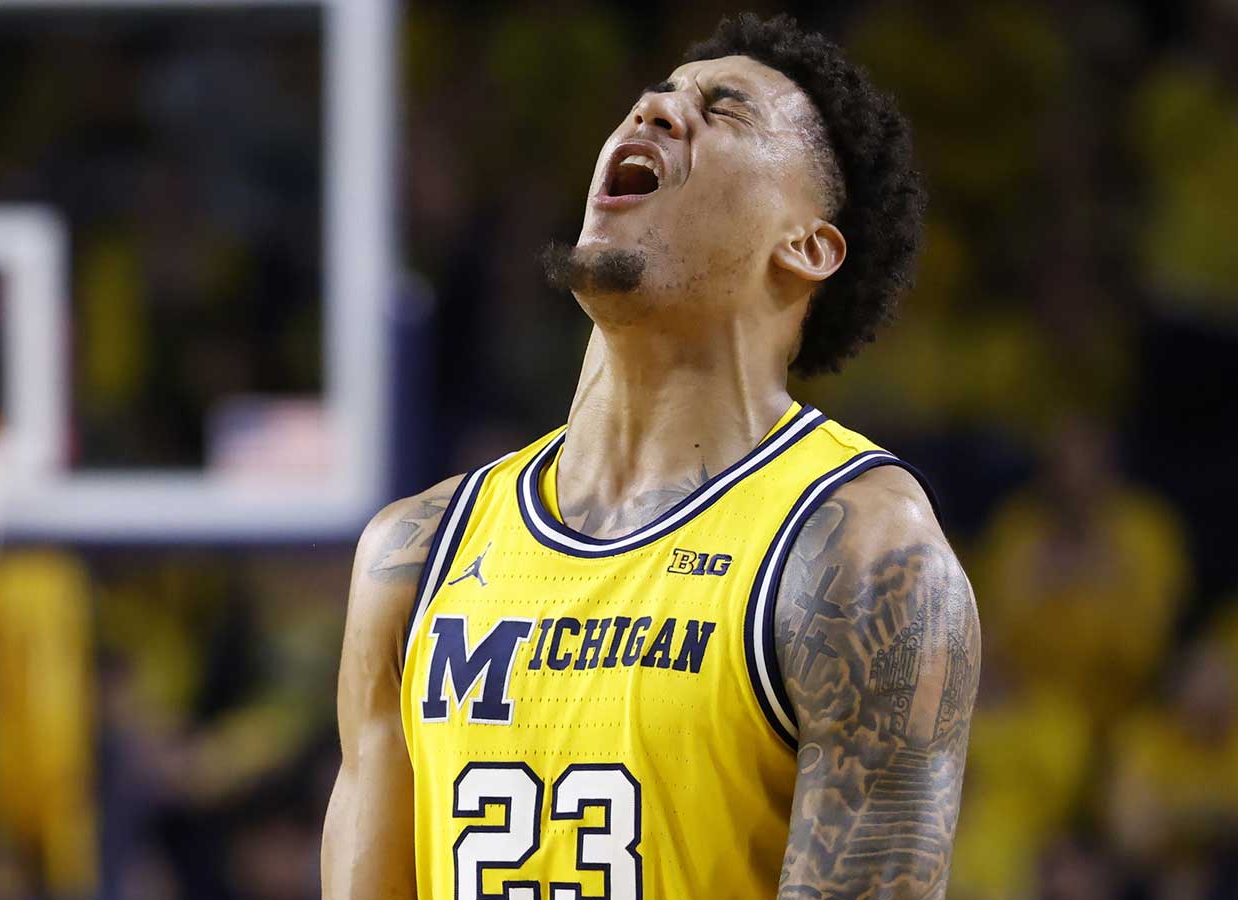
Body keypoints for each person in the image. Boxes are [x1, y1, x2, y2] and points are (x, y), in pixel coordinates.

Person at [323, 13, 978, 899]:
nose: (654, 111)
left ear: (807, 245)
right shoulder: (414, 555)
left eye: (725, 110)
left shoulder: (861, 557)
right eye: (656, 96)